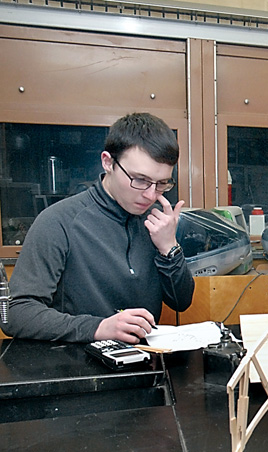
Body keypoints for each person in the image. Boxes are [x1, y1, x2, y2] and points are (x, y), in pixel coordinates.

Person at [1, 113, 195, 343]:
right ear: (108, 162)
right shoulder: (59, 221)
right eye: (139, 180)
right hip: (75, 365)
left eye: (162, 183)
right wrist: (98, 328)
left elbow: (180, 302)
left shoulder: (157, 224)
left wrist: (169, 248)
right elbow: (17, 313)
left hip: (145, 363)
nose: (151, 194)